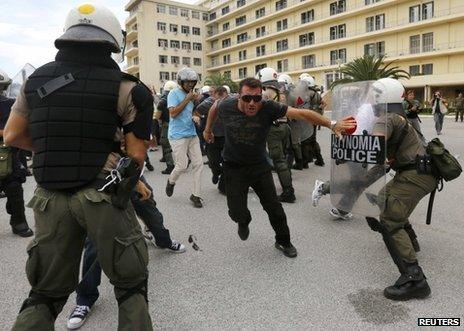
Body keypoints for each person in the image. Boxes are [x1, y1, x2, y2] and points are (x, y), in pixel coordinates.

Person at [4, 4, 154, 329]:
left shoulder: (35, 80)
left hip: (49, 195)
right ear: (114, 39)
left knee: (44, 293)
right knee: (130, 285)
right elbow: (137, 156)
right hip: (102, 193)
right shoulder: (130, 88)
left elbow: (13, 134)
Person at [203, 78, 355, 258]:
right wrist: (207, 129)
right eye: (246, 99)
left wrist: (331, 124)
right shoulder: (226, 104)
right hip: (233, 166)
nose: (252, 103)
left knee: (274, 208)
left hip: (259, 166)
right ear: (239, 97)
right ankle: (243, 221)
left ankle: (283, 241)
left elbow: (303, 113)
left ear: (261, 97)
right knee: (236, 212)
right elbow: (214, 107)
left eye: (256, 99)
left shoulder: (269, 107)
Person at [67, 176, 185, 329]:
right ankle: (85, 297)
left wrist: (135, 179)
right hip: (99, 182)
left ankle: (164, 241)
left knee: (151, 212)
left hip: (128, 172)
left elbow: (135, 154)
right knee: (94, 242)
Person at [367, 78, 437, 301]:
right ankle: (411, 241)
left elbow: (374, 150)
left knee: (389, 218)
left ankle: (415, 279)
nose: (371, 100)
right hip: (420, 172)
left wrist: (351, 148)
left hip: (415, 175)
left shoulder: (386, 118)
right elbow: (385, 162)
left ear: (382, 96)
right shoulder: (400, 117)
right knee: (384, 197)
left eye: (375, 95)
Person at [0, 68, 33, 237]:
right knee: (14, 188)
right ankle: (18, 221)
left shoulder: (11, 104)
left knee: (14, 188)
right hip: (10, 153)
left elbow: (14, 130)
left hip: (11, 155)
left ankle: (19, 222)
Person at [165, 67, 204, 208]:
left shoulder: (193, 94)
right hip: (177, 135)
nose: (191, 85)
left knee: (199, 164)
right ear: (181, 81)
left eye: (193, 82)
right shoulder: (173, 94)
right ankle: (171, 181)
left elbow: (194, 111)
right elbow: (173, 113)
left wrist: (196, 116)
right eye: (188, 82)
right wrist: (187, 99)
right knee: (181, 165)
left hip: (192, 133)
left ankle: (196, 195)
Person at [257, 67, 296, 203]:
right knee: (283, 159)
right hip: (285, 126)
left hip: (274, 128)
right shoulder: (281, 90)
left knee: (279, 161)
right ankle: (287, 186)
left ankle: (288, 192)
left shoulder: (265, 92)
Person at [196, 86, 228, 194]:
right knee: (213, 161)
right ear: (215, 95)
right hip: (212, 136)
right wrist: (200, 121)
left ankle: (223, 186)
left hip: (226, 137)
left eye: (225, 97)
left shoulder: (230, 102)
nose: (222, 101)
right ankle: (215, 172)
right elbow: (196, 112)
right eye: (220, 98)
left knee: (227, 162)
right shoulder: (207, 103)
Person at [155, 80, 177, 174]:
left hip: (167, 125)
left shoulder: (162, 101)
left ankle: (170, 166)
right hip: (178, 124)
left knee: (165, 144)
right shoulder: (178, 98)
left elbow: (157, 116)